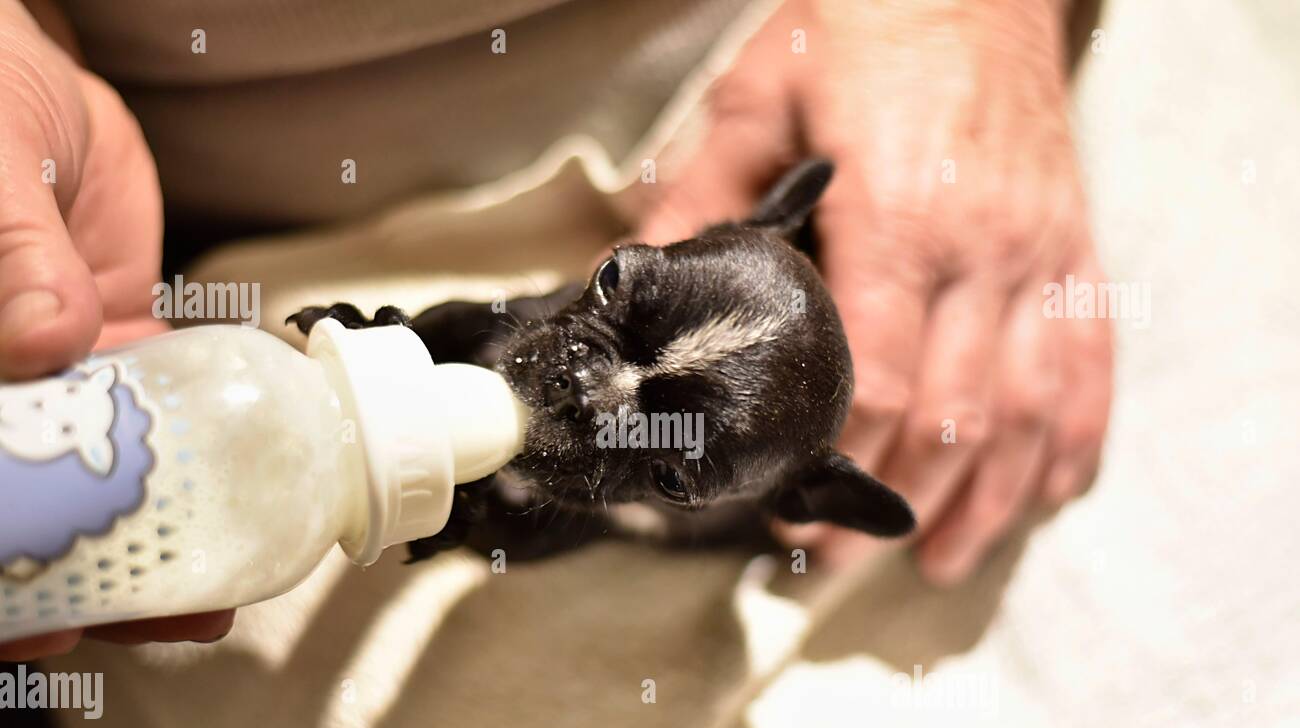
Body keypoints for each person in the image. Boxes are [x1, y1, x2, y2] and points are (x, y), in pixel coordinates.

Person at [0, 0, 1110, 662]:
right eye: (621, 295)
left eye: (668, 466)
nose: (595, 399)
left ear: (792, 497)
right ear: (736, 220)